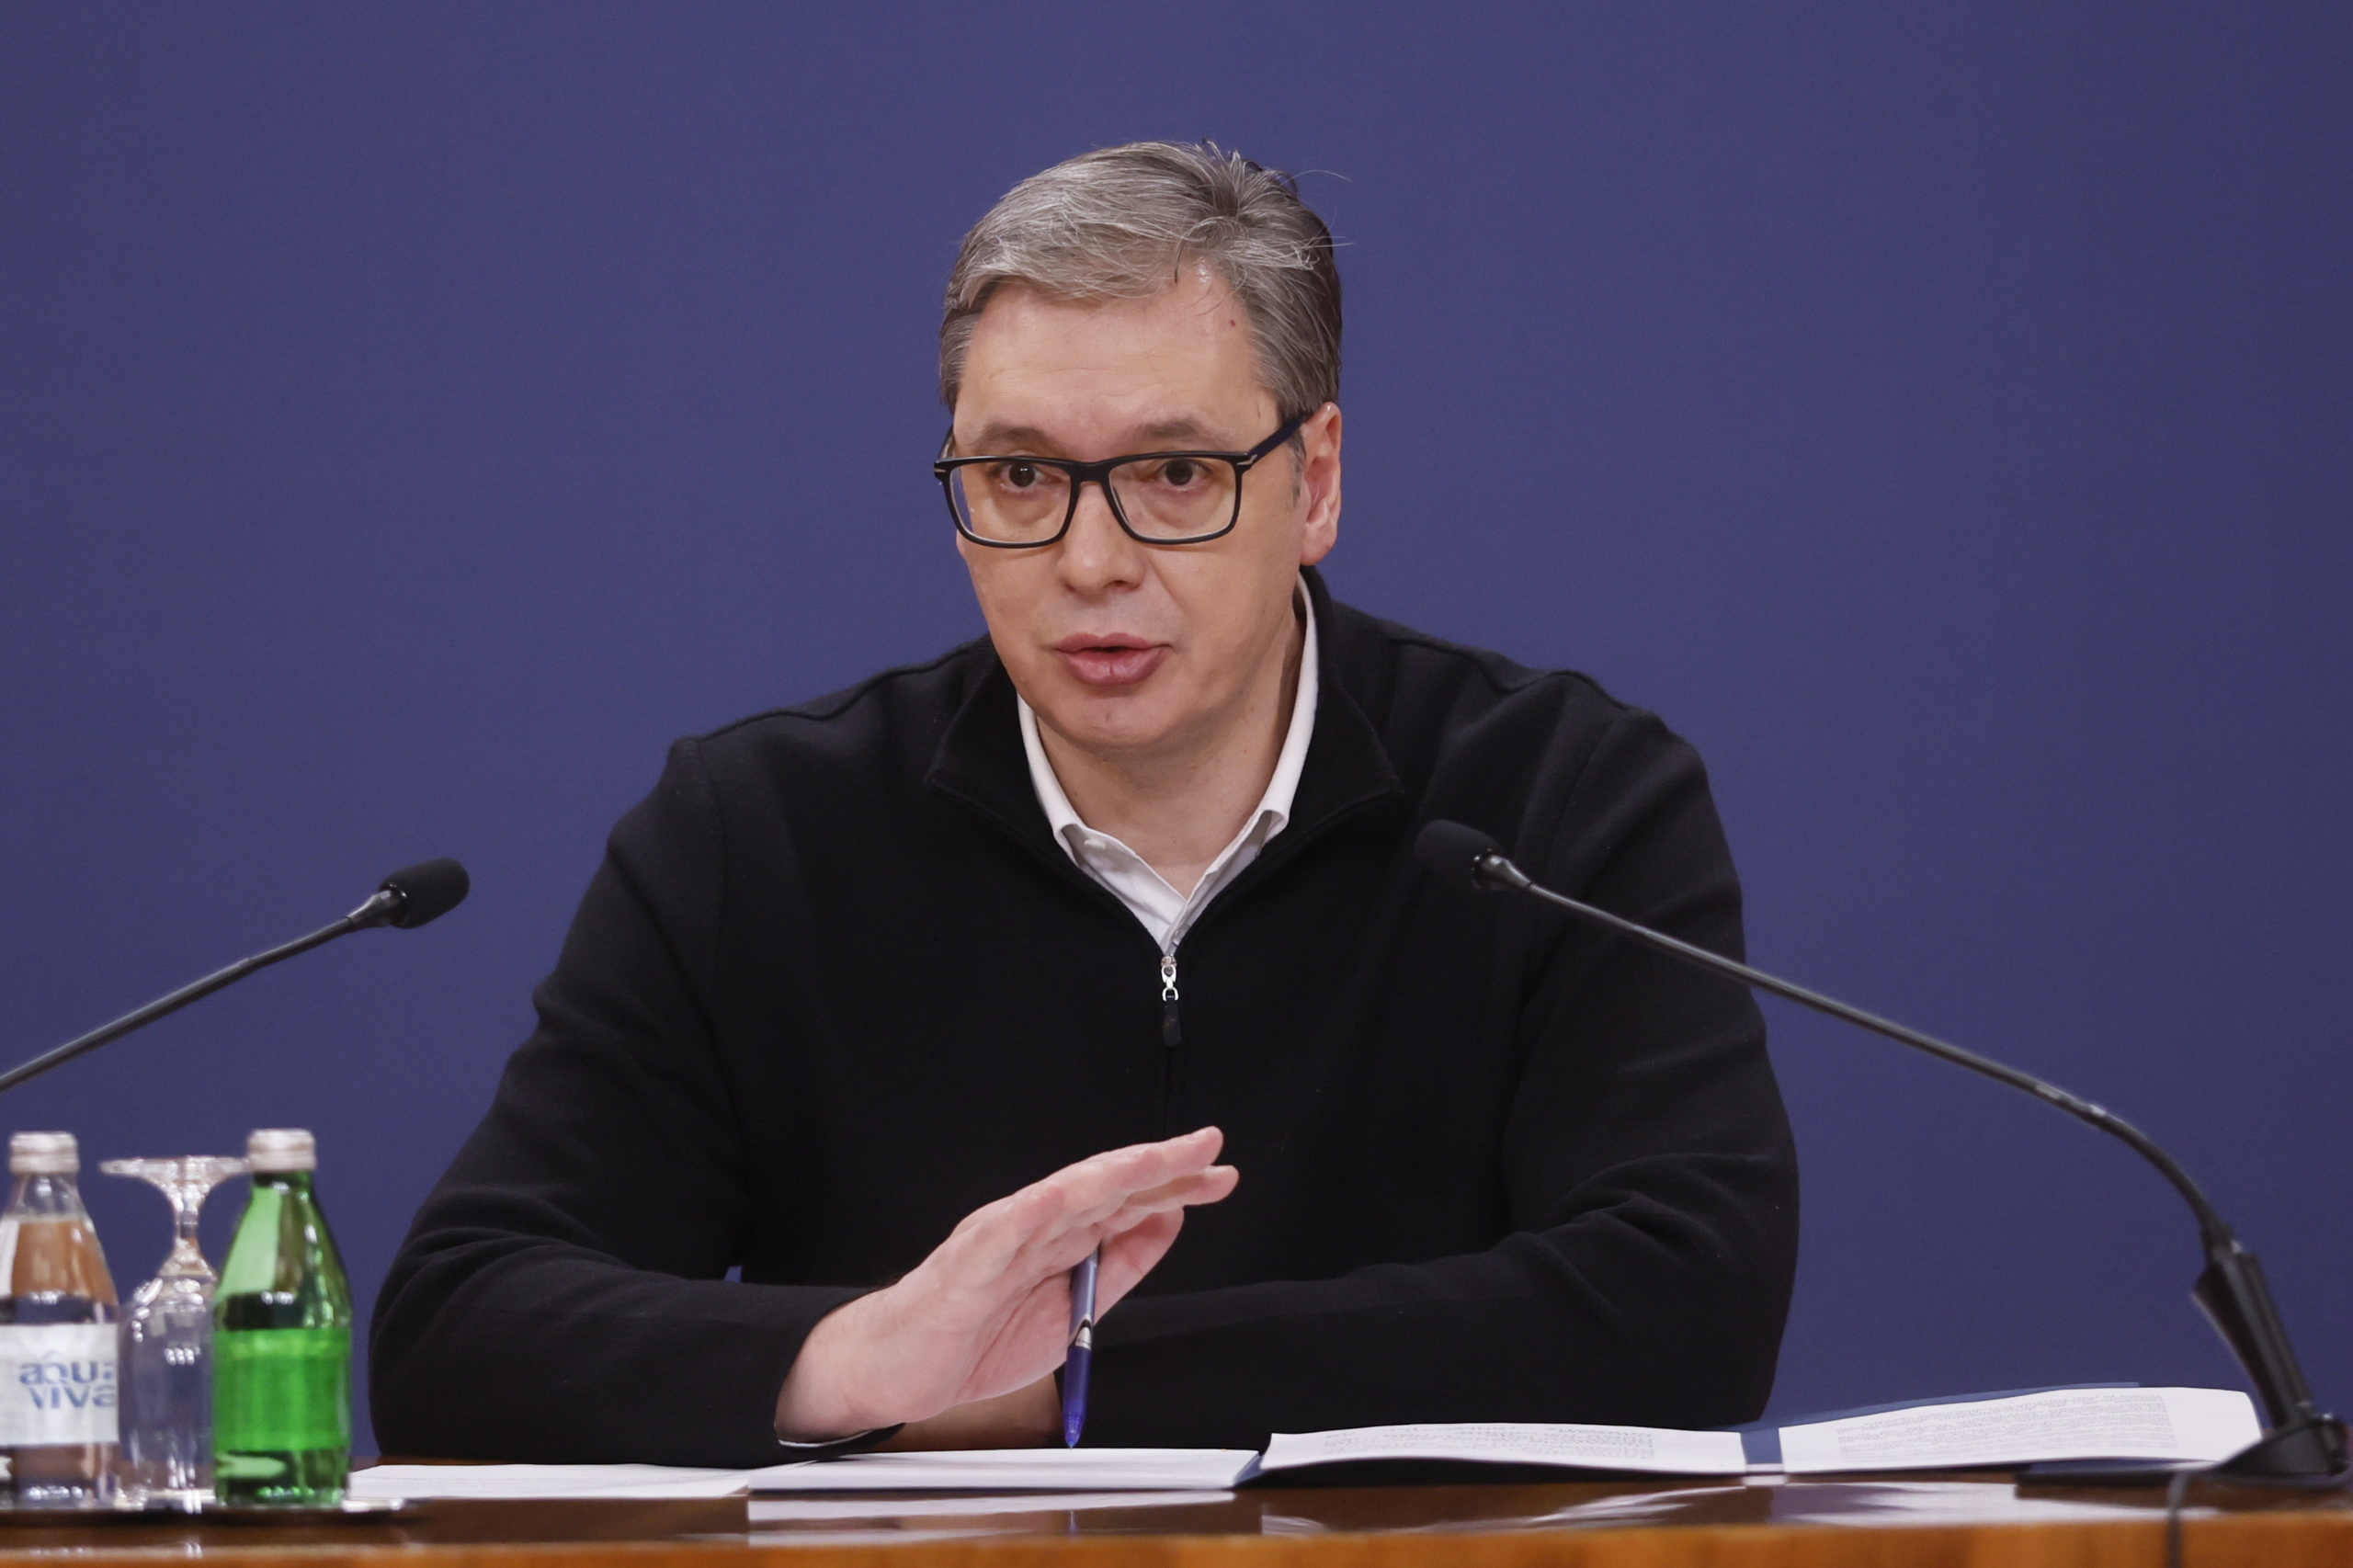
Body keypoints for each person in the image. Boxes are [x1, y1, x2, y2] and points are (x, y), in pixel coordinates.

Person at [370, 142, 1799, 1465]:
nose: (1091, 559)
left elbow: (1687, 1299)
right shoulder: (762, 834)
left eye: (1174, 474)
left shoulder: (1555, 805)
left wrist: (1034, 1388)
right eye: (1020, 476)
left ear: (1314, 483)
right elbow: (459, 1331)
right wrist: (866, 1358)